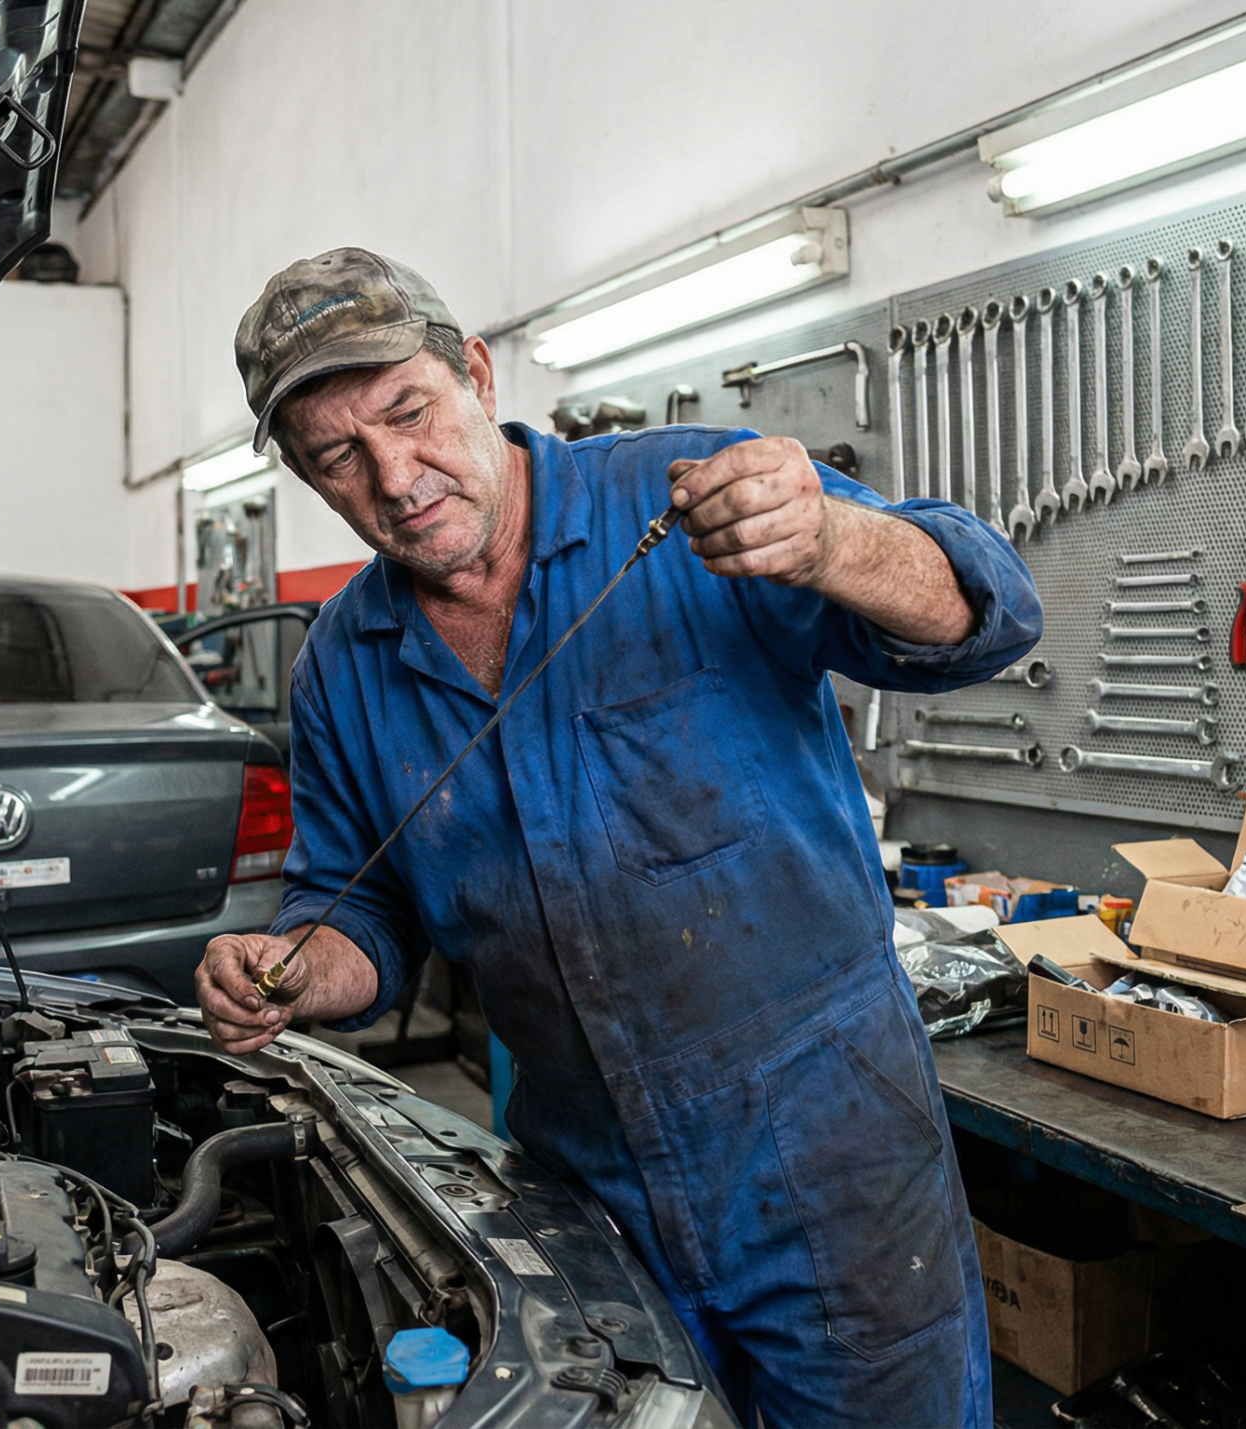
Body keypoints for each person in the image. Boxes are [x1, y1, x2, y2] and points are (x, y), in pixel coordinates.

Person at [197, 248, 1041, 1427]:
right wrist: (289, 968)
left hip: (830, 1158)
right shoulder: (345, 659)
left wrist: (836, 544)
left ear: (476, 375)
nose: (393, 476)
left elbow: (987, 617)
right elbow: (359, 902)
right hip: (582, 1188)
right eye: (338, 455)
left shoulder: (680, 501)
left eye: (409, 412)